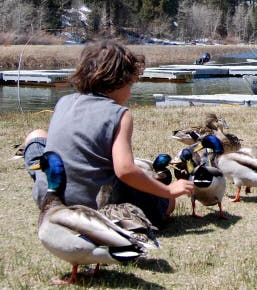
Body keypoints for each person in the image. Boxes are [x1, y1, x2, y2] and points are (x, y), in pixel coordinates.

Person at [23, 40, 194, 227]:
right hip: (93, 205)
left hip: (49, 199)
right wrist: (168, 191)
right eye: (130, 85)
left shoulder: (63, 101)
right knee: (165, 203)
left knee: (36, 135)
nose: (130, 93)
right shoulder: (119, 114)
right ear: (117, 82)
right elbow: (125, 170)